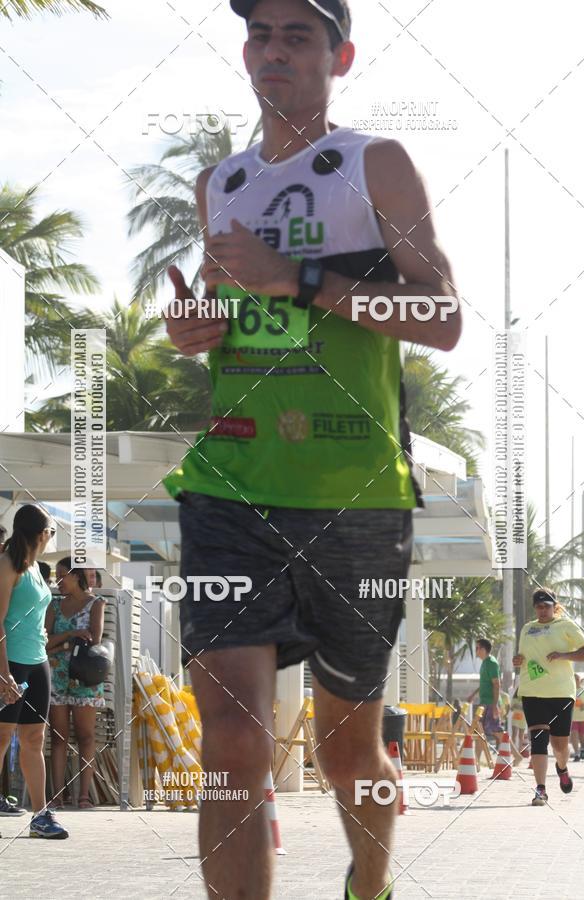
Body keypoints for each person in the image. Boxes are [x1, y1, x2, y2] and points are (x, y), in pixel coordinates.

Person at [163, 1, 461, 896]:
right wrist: (196, 327)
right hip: (231, 483)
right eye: (261, 34)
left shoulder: (377, 163)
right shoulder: (219, 182)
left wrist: (295, 278)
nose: (274, 50)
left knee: (347, 750)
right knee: (234, 740)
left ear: (342, 56)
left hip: (354, 493)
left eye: (299, 35)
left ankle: (368, 883)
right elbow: (223, 313)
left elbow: (438, 317)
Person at [0, 504, 68, 838]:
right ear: (42, 534)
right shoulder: (7, 564)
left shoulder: (37, 569)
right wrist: (3, 673)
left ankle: (41, 816)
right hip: (9, 662)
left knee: (34, 738)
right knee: (0, 738)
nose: (50, 539)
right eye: (51, 533)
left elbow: (34, 613)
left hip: (36, 661)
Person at [513, 588, 584, 806]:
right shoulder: (527, 629)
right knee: (538, 741)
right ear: (535, 608)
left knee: (560, 746)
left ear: (554, 606)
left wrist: (563, 656)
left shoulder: (565, 625)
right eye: (538, 606)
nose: (542, 610)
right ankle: (540, 790)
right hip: (532, 692)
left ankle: (562, 768)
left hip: (560, 693)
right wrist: (518, 660)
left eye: (546, 606)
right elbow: (524, 657)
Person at [45, 557, 105, 809]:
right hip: (57, 677)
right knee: (58, 737)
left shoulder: (96, 603)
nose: (57, 581)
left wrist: (61, 644)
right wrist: (70, 637)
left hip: (84, 677)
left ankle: (84, 796)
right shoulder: (53, 605)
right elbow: (45, 643)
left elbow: (95, 638)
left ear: (76, 575)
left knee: (86, 735)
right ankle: (57, 795)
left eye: (62, 576)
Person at [468, 638, 503, 749]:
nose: (476, 650)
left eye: (477, 648)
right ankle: (477, 761)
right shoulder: (485, 663)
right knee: (480, 731)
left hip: (490, 703)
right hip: (484, 703)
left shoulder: (492, 663)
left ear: (483, 649)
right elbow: (485, 683)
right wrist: (473, 694)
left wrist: (495, 705)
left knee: (496, 731)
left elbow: (496, 685)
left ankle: (516, 755)